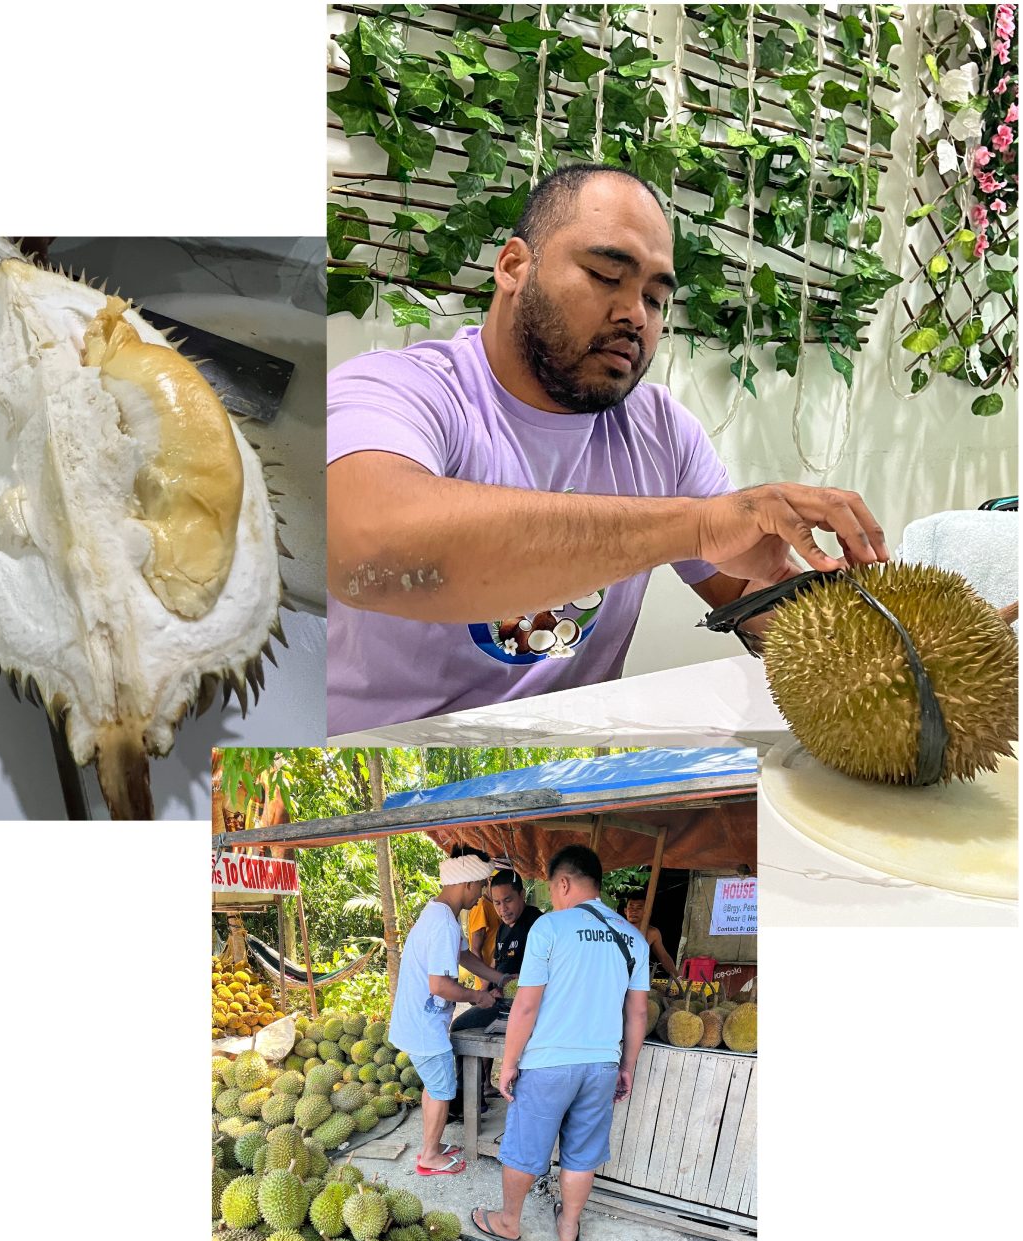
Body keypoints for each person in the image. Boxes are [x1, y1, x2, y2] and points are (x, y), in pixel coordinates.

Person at [327, 162, 889, 732]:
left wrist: (897, 646)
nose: (634, 315)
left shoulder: (660, 429)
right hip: (380, 755)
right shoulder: (397, 389)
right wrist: (696, 527)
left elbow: (751, 590)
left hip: (570, 773)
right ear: (514, 265)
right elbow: (368, 552)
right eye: (604, 275)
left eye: (656, 298)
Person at [470, 845, 649, 1241]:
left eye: (552, 888)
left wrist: (509, 1062)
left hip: (549, 1063)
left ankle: (508, 1222)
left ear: (564, 882)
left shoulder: (549, 928)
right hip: (602, 1065)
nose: (552, 897)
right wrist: (627, 1067)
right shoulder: (633, 939)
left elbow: (527, 1005)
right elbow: (636, 1015)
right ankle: (568, 1227)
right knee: (581, 1153)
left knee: (523, 1148)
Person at [387, 852, 508, 1175]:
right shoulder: (443, 923)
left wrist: (497, 979)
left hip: (417, 1021)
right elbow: (440, 985)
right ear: (466, 883)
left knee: (434, 1087)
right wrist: (478, 996)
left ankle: (433, 1145)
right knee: (442, 1090)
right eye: (481, 885)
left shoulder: (439, 915)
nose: (483, 893)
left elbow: (464, 955)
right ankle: (429, 1156)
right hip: (425, 1025)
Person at [448, 868, 542, 1122]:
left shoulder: (538, 925)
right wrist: (486, 991)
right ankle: (469, 1098)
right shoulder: (502, 929)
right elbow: (499, 970)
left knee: (460, 1026)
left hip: (527, 1010)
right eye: (497, 903)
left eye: (508, 900)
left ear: (522, 895)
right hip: (501, 1004)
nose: (503, 909)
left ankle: (469, 1097)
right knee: (460, 1026)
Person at [619, 890, 678, 978]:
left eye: (639, 908)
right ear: (625, 911)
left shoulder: (652, 933)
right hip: (618, 974)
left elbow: (664, 957)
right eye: (631, 907)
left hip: (639, 977)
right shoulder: (617, 928)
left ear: (647, 912)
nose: (634, 911)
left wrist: (677, 978)